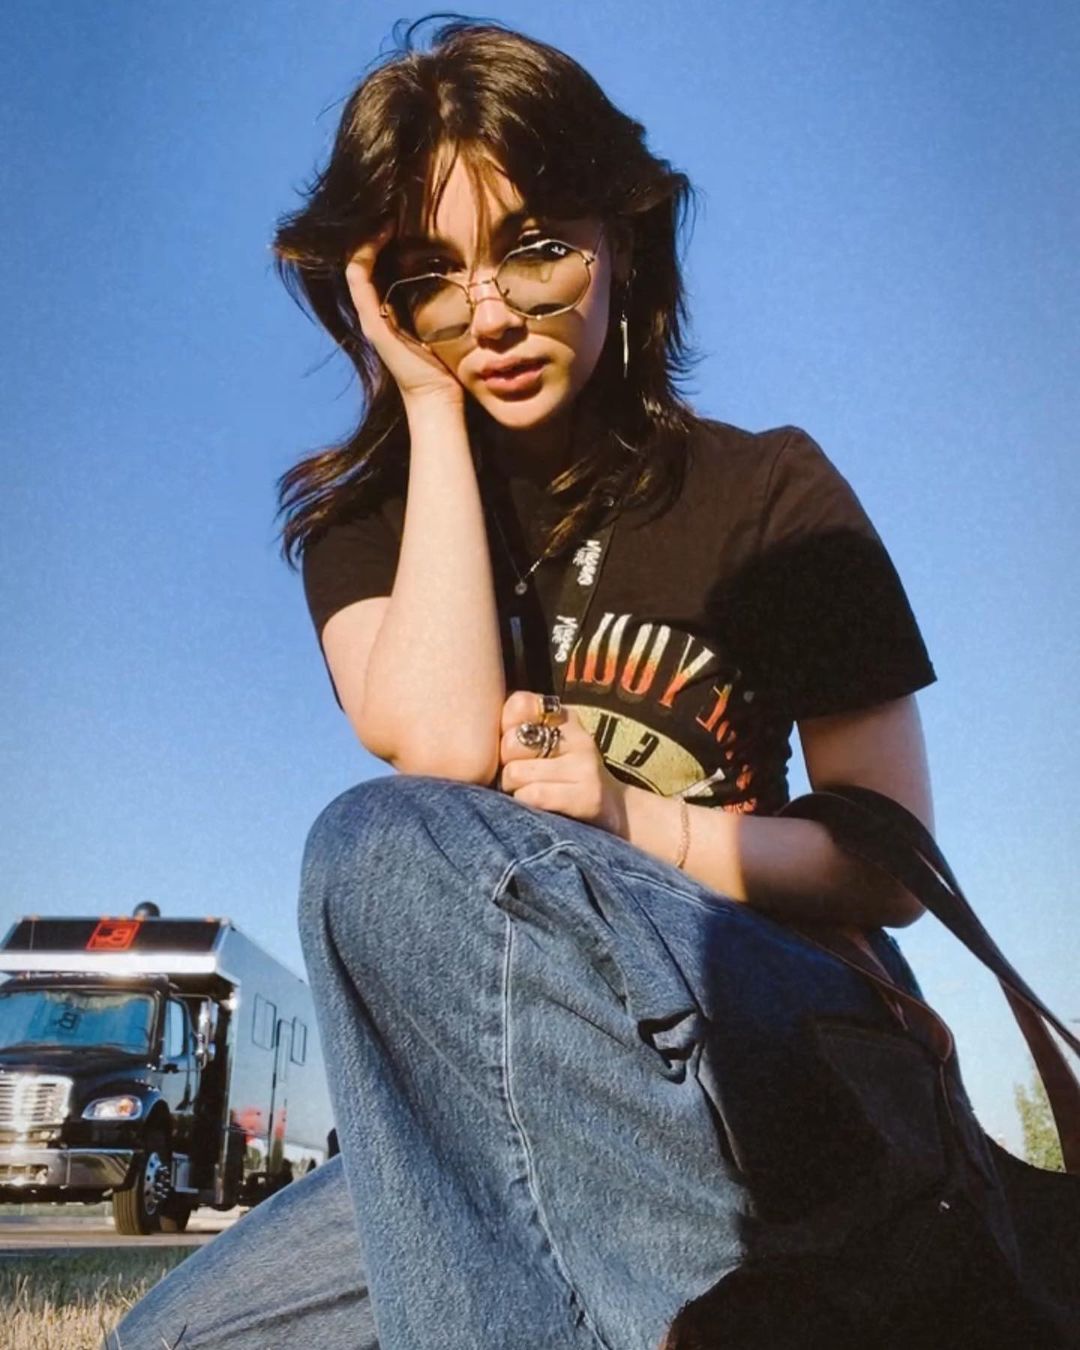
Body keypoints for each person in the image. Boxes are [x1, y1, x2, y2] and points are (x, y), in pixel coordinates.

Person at [109, 17, 937, 1350]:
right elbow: (438, 746)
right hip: (505, 1087)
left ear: (624, 240)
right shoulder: (364, 527)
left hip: (765, 1035)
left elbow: (891, 861)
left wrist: (632, 820)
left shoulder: (767, 491)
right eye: (432, 276)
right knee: (170, 1340)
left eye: (537, 248)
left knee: (374, 846)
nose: (490, 314)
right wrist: (430, 415)